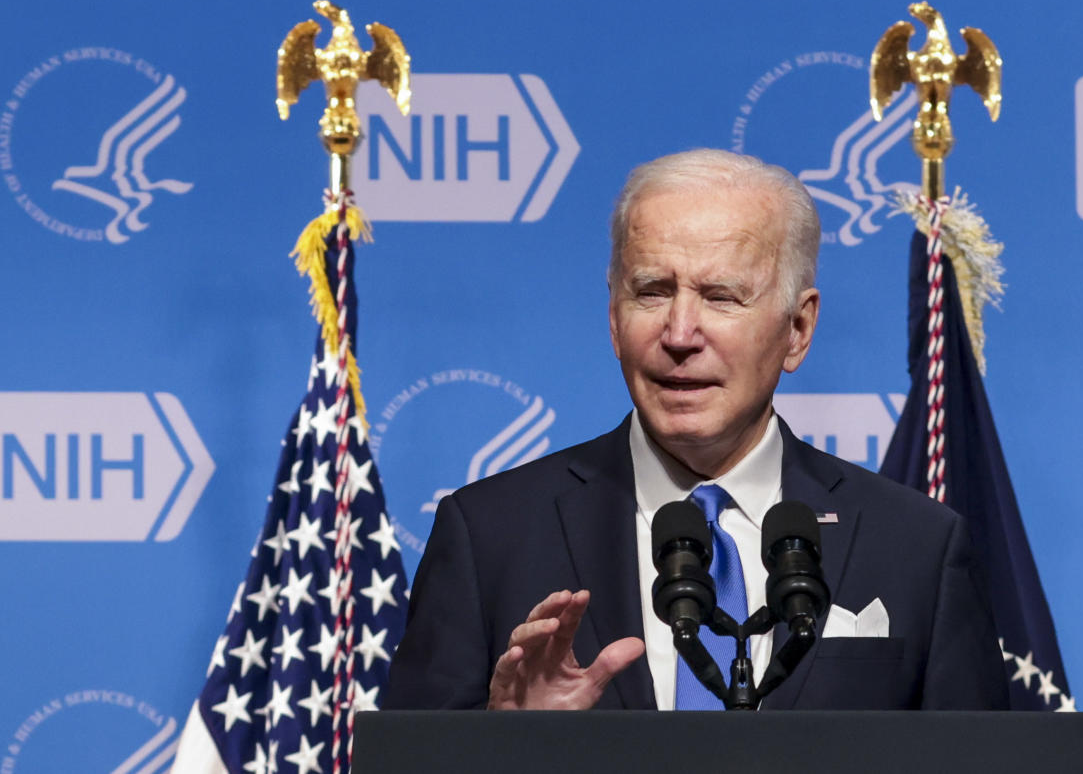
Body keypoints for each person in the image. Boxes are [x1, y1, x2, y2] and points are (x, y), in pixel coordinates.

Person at [384, 149, 1008, 711]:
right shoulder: (489, 536)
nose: (680, 334)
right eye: (651, 292)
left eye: (721, 296)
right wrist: (503, 748)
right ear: (612, 317)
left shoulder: (917, 547)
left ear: (798, 329)